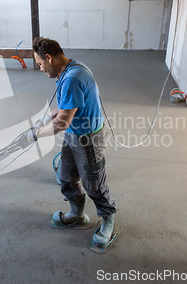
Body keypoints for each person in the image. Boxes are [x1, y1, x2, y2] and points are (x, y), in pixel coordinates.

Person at [29, 37, 117, 248]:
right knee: (66, 176)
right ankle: (76, 213)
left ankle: (108, 220)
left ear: (49, 58)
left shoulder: (72, 78)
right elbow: (68, 106)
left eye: (40, 64)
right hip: (74, 134)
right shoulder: (70, 67)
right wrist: (47, 116)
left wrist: (38, 133)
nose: (41, 69)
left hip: (88, 138)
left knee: (93, 184)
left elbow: (62, 122)